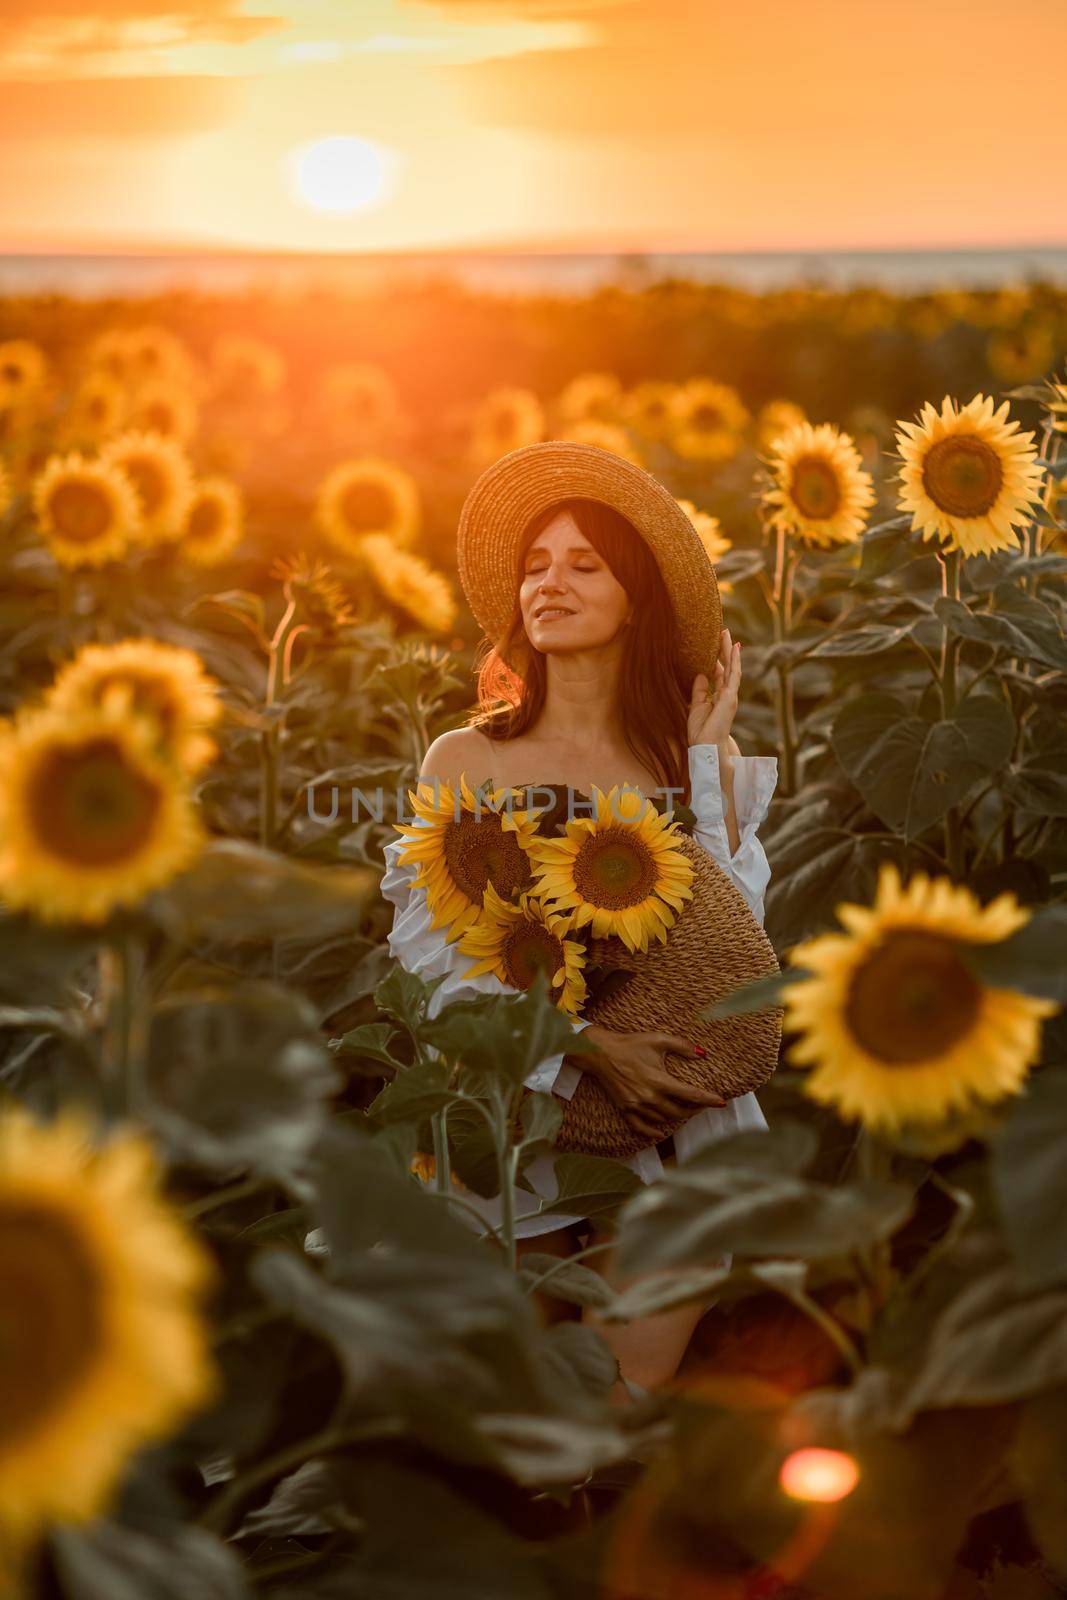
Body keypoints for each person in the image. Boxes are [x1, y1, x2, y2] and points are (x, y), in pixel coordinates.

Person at [379, 443, 778, 1405]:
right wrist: (588, 1047)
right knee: (512, 1412)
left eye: (583, 565)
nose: (548, 585)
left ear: (635, 597)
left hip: (673, 1115)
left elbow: (734, 948)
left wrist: (700, 767)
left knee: (616, 1402)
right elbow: (429, 959)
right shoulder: (466, 759)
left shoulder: (696, 763)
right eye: (534, 565)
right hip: (520, 1108)